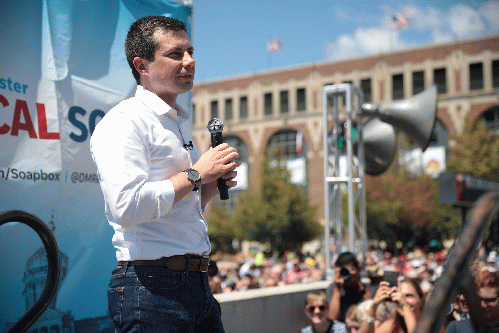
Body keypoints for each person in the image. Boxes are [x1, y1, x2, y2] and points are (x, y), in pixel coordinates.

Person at [90, 16, 240, 333]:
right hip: (150, 288)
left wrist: (210, 187)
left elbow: (179, 210)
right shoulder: (125, 121)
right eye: (175, 54)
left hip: (196, 284)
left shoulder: (176, 122)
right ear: (142, 65)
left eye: (190, 51)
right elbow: (127, 206)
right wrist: (197, 174)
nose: (189, 61)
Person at [358, 278, 424, 333]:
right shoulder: (391, 326)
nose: (401, 299)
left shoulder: (430, 324)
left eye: (409, 296)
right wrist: (373, 306)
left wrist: (405, 306)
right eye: (398, 295)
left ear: (421, 300)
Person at [328, 252, 368, 322]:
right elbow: (332, 319)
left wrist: (359, 284)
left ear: (358, 268)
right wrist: (337, 289)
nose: (347, 274)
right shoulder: (333, 288)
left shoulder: (364, 287)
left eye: (350, 270)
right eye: (344, 271)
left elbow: (371, 311)